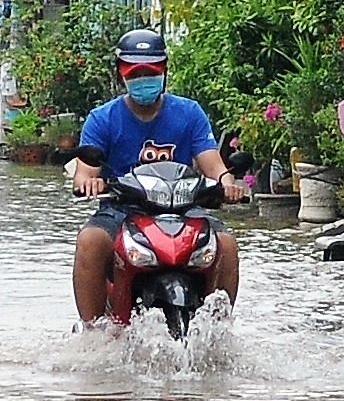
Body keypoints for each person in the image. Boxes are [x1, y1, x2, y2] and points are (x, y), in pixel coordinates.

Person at [70, 29, 248, 324]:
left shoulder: (189, 113)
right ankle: (93, 332)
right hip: (121, 210)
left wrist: (227, 184)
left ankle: (217, 329)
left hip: (184, 208)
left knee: (226, 245)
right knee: (90, 241)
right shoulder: (102, 118)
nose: (143, 78)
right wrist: (89, 181)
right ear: (121, 74)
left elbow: (211, 163)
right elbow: (84, 172)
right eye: (135, 72)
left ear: (164, 71)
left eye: (151, 71)